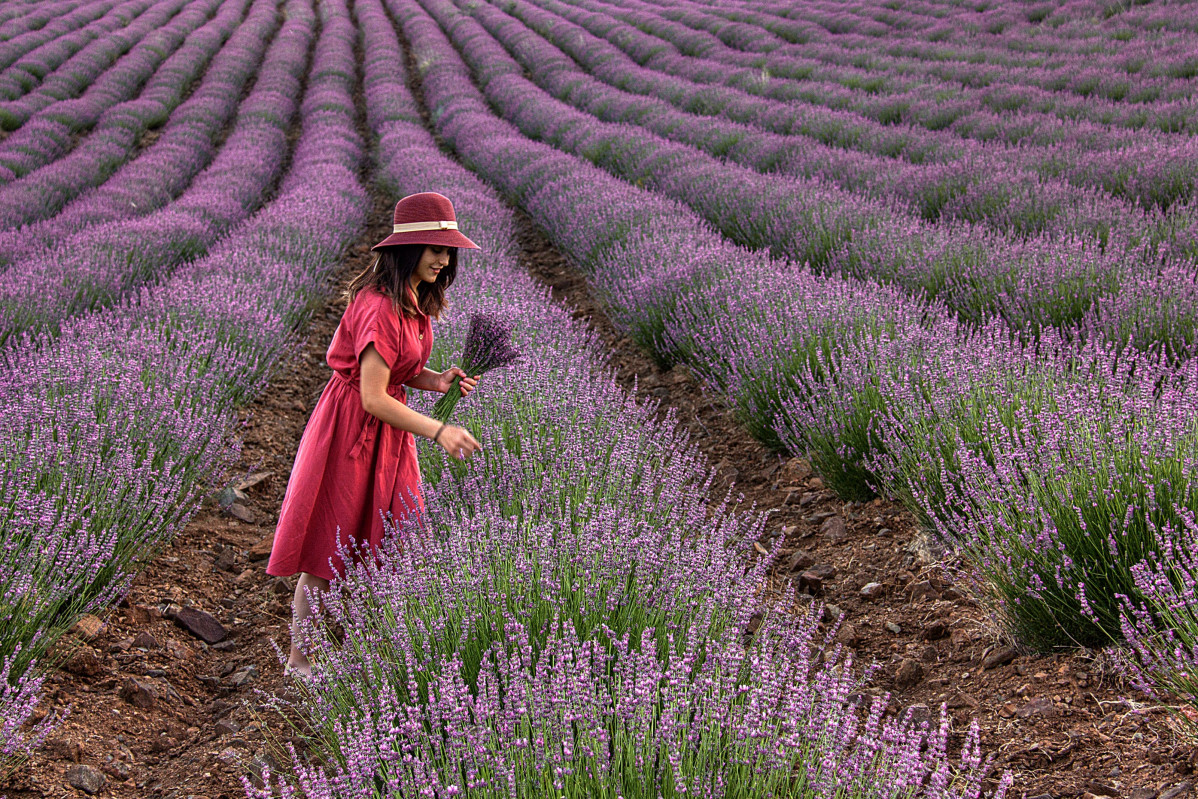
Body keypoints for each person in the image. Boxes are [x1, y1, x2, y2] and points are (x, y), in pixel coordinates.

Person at [266, 192, 483, 677]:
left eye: (448, 253)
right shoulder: (380, 307)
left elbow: (397, 372)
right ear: (408, 248)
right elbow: (373, 396)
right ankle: (302, 664)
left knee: (386, 541)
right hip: (351, 434)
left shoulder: (411, 302)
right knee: (329, 547)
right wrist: (440, 430)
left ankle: (351, 654)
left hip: (387, 437)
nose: (443, 261)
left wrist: (435, 380)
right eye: (435, 249)